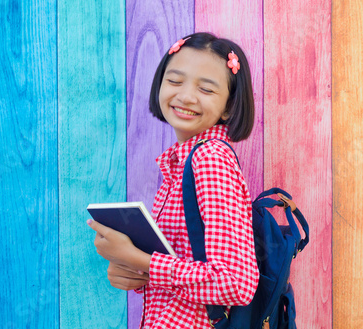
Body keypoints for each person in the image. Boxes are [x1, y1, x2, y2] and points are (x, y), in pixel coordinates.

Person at [87, 32, 259, 328]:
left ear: (229, 106)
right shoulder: (183, 163)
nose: (186, 96)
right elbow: (185, 264)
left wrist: (143, 262)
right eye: (175, 81)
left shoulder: (211, 160)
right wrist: (133, 274)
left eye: (206, 89)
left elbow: (235, 283)